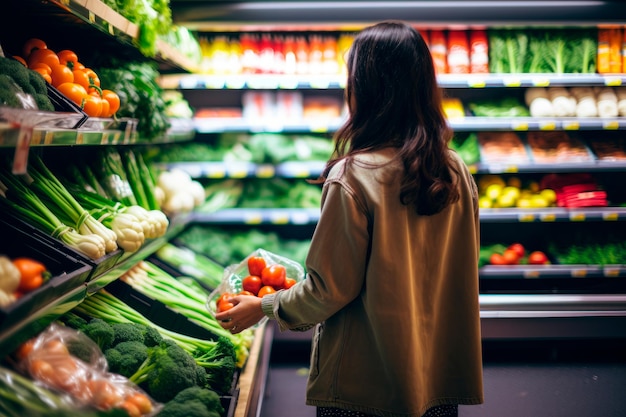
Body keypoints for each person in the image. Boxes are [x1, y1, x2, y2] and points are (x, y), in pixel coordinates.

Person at [215, 20, 484, 417]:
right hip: (437, 380)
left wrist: (264, 306)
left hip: (365, 386)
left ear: (363, 88)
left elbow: (328, 291)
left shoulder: (354, 175)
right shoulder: (454, 168)